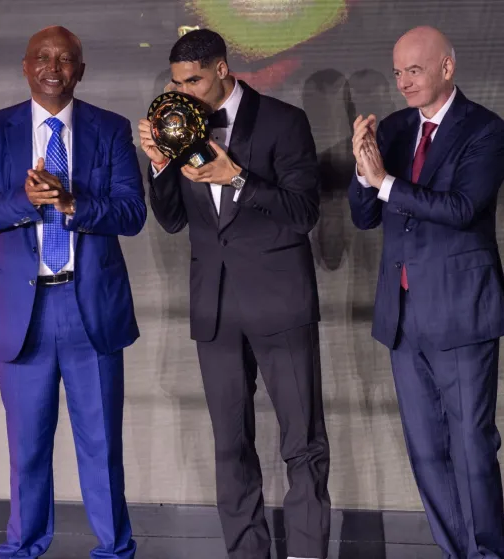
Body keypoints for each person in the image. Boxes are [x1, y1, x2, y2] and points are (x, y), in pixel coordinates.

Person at [140, 29, 330, 559]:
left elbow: (303, 214)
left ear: (222, 69)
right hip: (216, 308)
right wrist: (159, 162)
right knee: (230, 445)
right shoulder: (178, 125)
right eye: (177, 83)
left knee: (303, 443)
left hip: (280, 303)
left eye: (194, 81)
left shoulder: (284, 122)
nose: (184, 93)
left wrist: (237, 177)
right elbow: (173, 221)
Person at [0, 25, 145, 559]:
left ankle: (114, 551)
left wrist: (70, 203)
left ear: (80, 70)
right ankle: (23, 548)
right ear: (25, 66)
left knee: (101, 446)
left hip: (91, 309)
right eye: (42, 57)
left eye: (65, 59)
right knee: (28, 448)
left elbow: (132, 214)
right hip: (23, 312)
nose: (53, 68)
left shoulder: (110, 129)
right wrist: (26, 199)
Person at [349, 26, 504, 559]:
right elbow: (364, 216)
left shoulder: (484, 129)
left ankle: (487, 555)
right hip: (402, 316)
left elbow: (463, 209)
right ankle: (455, 552)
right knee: (425, 452)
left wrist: (385, 182)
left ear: (447, 67)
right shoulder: (396, 129)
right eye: (398, 72)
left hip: (461, 314)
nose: (403, 82)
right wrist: (362, 171)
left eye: (414, 70)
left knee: (471, 448)